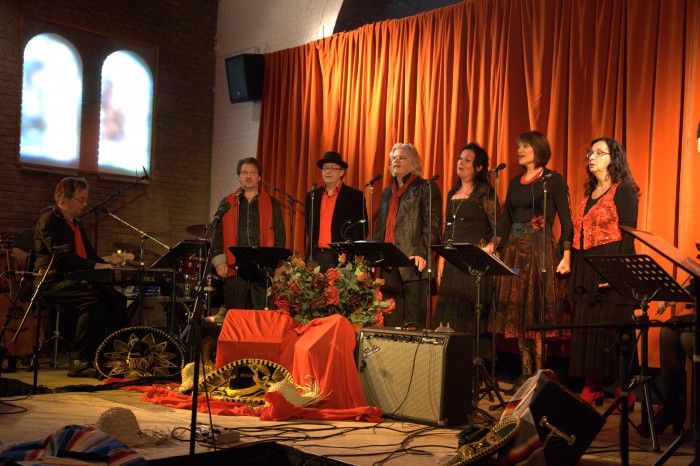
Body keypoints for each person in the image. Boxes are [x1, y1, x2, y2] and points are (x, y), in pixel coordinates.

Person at [492, 130, 572, 386]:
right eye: (519, 146)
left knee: (536, 312)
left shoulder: (553, 180)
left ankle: (540, 376)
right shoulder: (515, 182)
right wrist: (493, 245)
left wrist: (566, 255)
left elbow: (567, 222)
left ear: (539, 149)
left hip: (540, 252)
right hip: (515, 253)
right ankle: (526, 373)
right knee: (520, 314)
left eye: (525, 146)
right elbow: (505, 220)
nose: (519, 150)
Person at [567, 137, 640, 406]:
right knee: (589, 327)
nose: (592, 157)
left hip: (613, 262)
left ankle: (624, 389)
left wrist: (617, 272)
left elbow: (629, 233)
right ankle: (592, 385)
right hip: (586, 264)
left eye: (600, 152)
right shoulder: (588, 196)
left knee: (616, 327)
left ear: (614, 158)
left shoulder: (623, 190)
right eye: (590, 152)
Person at [34, 177, 128, 378]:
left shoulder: (76, 224)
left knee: (117, 298)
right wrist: (96, 266)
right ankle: (79, 359)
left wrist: (110, 266)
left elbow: (90, 256)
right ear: (64, 198)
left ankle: (107, 355)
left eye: (86, 199)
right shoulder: (49, 221)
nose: (85, 204)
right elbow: (63, 257)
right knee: (92, 301)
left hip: (73, 280)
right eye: (81, 199)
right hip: (51, 281)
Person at [435, 143, 499, 341]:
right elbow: (448, 228)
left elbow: (498, 228)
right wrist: (441, 259)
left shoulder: (485, 193)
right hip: (452, 259)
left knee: (468, 317)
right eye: (460, 158)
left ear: (478, 167)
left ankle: (472, 358)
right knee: (449, 316)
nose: (461, 162)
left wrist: (488, 249)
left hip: (473, 259)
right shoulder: (452, 193)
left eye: (467, 160)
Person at [374, 143, 442, 328]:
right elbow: (381, 228)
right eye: (393, 158)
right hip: (389, 265)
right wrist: (374, 257)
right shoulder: (387, 192)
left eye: (402, 157)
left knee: (415, 325)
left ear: (414, 164)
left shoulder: (426, 187)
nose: (396, 160)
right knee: (391, 324)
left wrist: (421, 252)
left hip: (414, 264)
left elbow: (433, 225)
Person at [211, 157, 286, 310]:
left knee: (262, 314)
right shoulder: (227, 202)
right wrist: (219, 262)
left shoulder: (272, 203)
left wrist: (276, 263)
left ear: (259, 177)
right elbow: (218, 234)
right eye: (244, 172)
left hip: (263, 268)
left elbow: (279, 234)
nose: (248, 176)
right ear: (239, 177)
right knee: (235, 312)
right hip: (235, 267)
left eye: (252, 172)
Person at [305, 151, 368, 271]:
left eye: (333, 168)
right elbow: (309, 227)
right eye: (325, 168)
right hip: (315, 257)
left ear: (342, 172)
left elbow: (362, 229)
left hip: (341, 258)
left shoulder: (355, 196)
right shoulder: (312, 196)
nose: (328, 171)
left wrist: (348, 253)